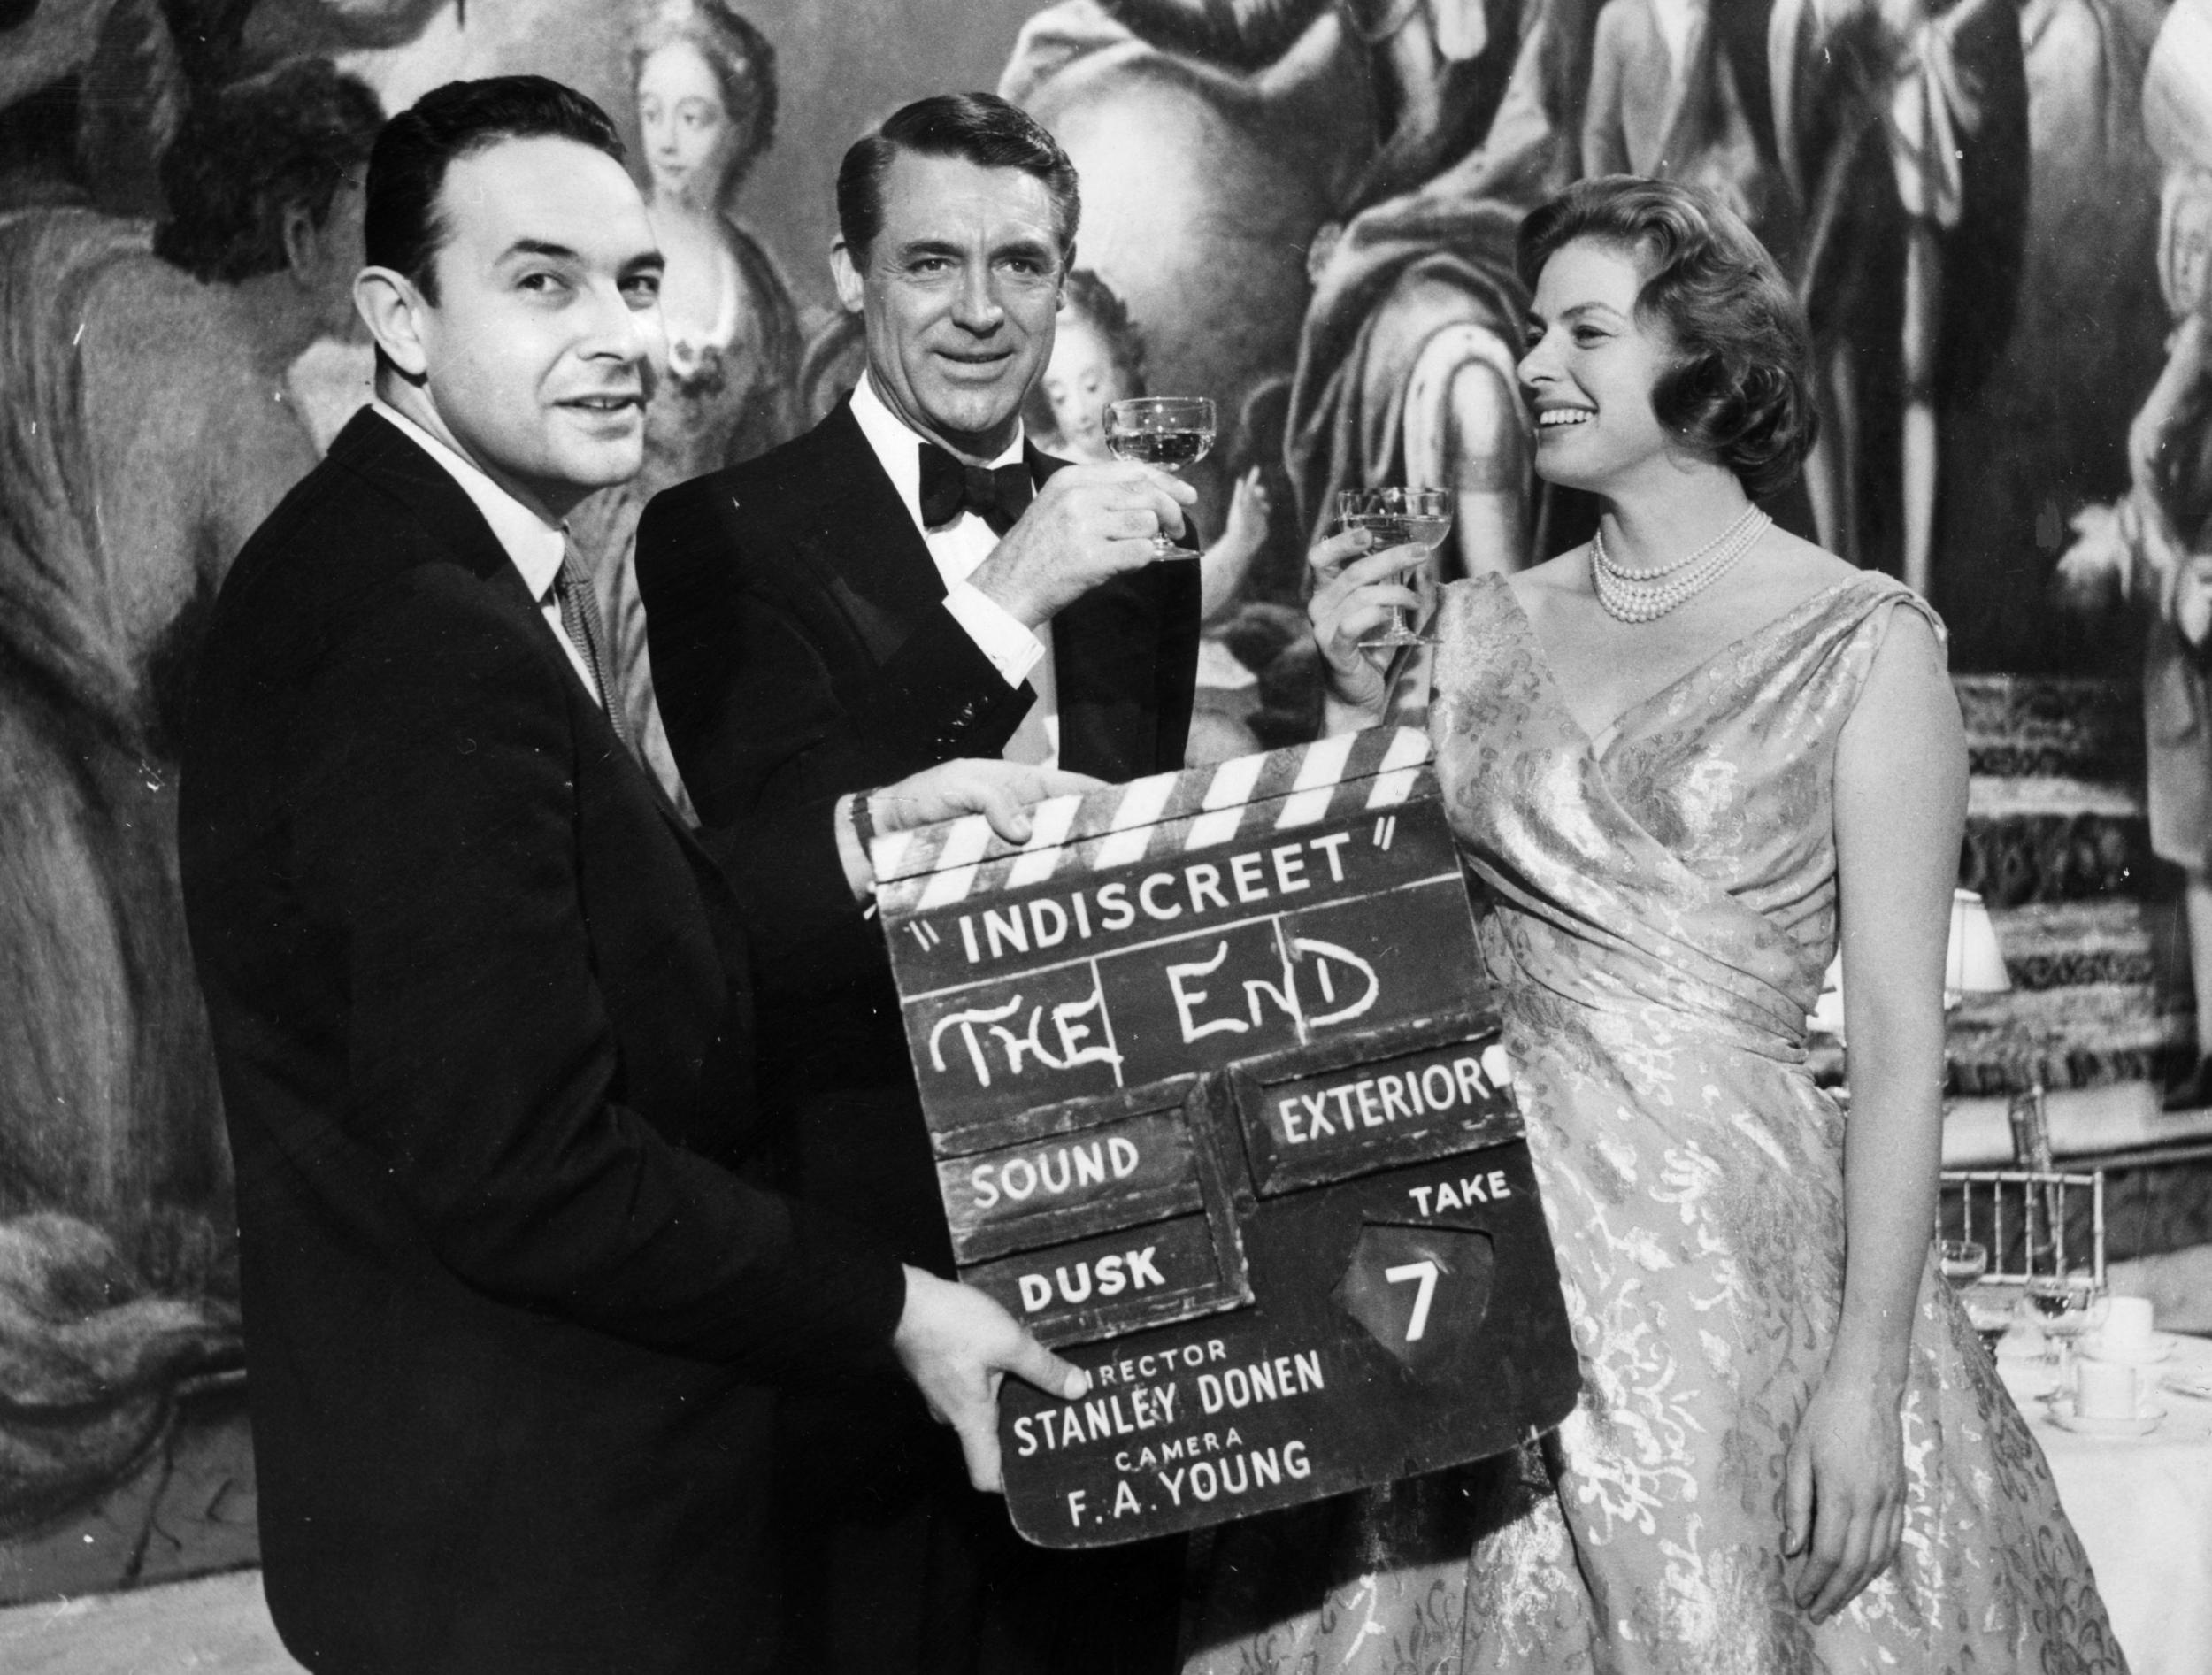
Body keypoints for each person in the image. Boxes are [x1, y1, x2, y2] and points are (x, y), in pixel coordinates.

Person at [177, 75, 1096, 1675]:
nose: (619, 334)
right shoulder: (416, 623)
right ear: (398, 315)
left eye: (637, 280)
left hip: (490, 1506)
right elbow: (531, 1162)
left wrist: (864, 836)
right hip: (530, 1537)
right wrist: (898, 1308)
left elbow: (571, 956)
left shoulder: (416, 555)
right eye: (543, 283)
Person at [1187, 177, 2124, 1671]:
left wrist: (1864, 1381)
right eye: (1530, 328)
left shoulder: (1867, 645)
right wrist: (1359, 712)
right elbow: (1375, 954)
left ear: (1705, 360)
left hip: (1732, 1293)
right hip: (1466, 1270)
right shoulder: (1476, 624)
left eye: (1584, 331)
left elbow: (1897, 1044)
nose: (1533, 367)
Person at [634, 90, 1200, 1675]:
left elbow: (1134, 884)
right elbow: (777, 883)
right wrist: (1012, 596)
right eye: (931, 261)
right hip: (867, 1277)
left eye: (1021, 265)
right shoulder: (718, 532)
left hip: (1115, 1254)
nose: (978, 310)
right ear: (846, 274)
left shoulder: (1139, 541)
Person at [0, 57, 380, 1527]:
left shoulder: (48, 271)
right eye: (375, 217)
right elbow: (337, 698)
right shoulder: (232, 391)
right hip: (79, 929)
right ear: (300, 234)